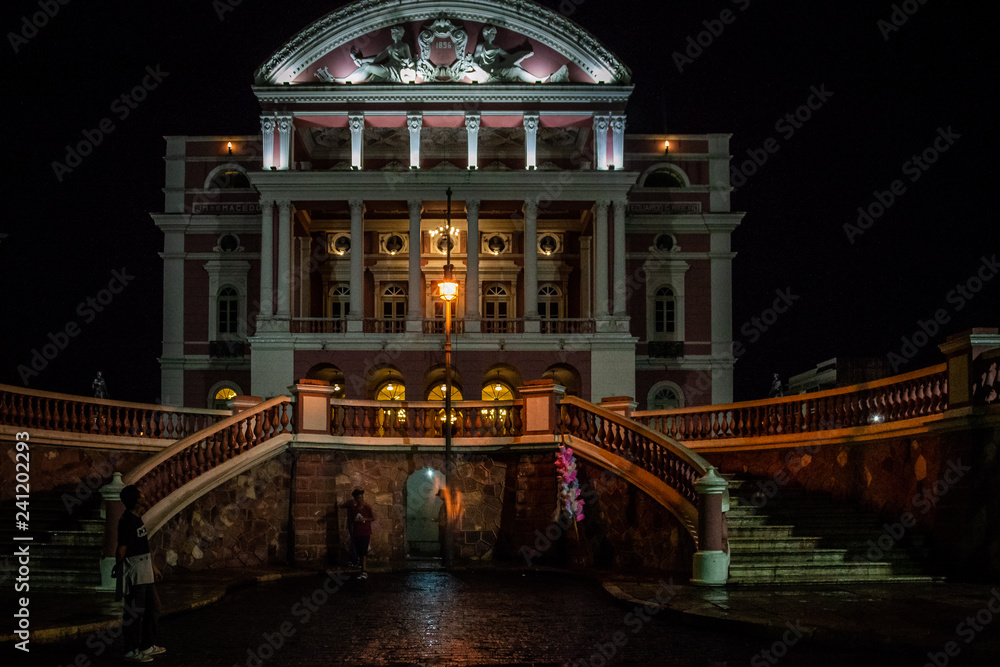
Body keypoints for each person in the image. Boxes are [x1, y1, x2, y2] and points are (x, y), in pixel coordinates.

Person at [114, 485, 164, 662]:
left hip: (145, 567)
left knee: (154, 607)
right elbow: (121, 549)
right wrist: (121, 570)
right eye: (142, 495)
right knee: (135, 611)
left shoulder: (137, 518)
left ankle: (147, 644)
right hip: (135, 569)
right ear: (136, 500)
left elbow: (143, 545)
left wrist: (153, 567)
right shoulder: (127, 520)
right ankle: (131, 649)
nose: (145, 496)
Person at [347, 488, 374, 579]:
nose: (361, 499)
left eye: (362, 497)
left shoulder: (367, 508)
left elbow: (372, 518)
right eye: (359, 498)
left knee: (363, 551)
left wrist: (365, 519)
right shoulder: (353, 509)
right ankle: (362, 570)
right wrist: (354, 520)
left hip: (365, 532)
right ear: (355, 498)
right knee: (359, 551)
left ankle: (364, 571)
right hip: (357, 532)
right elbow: (350, 520)